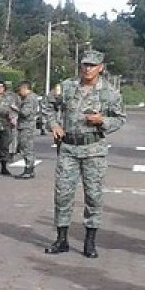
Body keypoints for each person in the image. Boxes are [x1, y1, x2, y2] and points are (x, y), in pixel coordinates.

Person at [44, 50, 127, 259]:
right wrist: (53, 124)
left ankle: (90, 241)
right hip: (69, 148)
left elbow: (120, 118)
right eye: (85, 65)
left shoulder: (109, 92)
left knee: (93, 195)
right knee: (63, 194)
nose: (88, 69)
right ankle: (61, 238)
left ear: (101, 67)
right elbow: (48, 105)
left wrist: (103, 121)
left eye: (92, 65)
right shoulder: (67, 87)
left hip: (94, 149)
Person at [14, 81, 40, 179]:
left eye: (20, 90)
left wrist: (15, 108)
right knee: (28, 148)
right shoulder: (32, 97)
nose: (19, 92)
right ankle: (29, 169)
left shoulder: (29, 98)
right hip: (27, 126)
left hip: (26, 126)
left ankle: (28, 170)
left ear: (25, 88)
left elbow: (25, 113)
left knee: (26, 148)